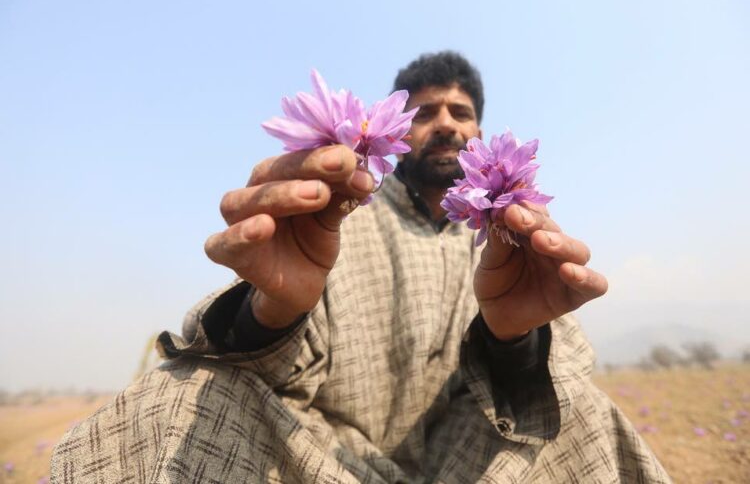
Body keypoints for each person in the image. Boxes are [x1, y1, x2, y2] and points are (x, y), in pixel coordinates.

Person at [51, 52, 670, 483]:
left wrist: (514, 338)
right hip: (327, 463)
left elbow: (535, 390)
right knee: (181, 396)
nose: (446, 122)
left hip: (466, 463)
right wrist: (273, 309)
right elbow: (264, 365)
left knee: (584, 414)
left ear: (482, 132)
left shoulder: (512, 239)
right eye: (425, 111)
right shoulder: (336, 213)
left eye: (461, 111)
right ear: (394, 131)